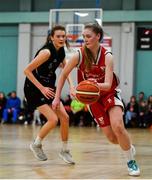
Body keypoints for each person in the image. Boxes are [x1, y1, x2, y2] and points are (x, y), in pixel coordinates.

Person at [52, 23, 140, 176]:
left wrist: (93, 84)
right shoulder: (78, 55)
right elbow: (63, 75)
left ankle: (131, 161)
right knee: (112, 138)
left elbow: (106, 84)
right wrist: (57, 98)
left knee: (118, 126)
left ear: (98, 36)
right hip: (93, 100)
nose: (85, 39)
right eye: (84, 36)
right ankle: (129, 147)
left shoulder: (107, 57)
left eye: (88, 36)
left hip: (109, 93)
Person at [24, 25, 75, 164]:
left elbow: (66, 70)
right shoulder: (46, 52)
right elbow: (27, 71)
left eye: (63, 36)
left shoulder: (61, 52)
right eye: (58, 36)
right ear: (51, 37)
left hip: (48, 87)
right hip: (34, 87)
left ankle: (64, 150)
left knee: (65, 117)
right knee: (53, 119)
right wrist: (41, 88)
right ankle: (36, 144)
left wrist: (72, 87)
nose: (61, 38)